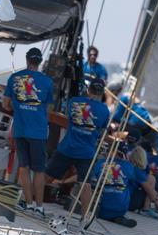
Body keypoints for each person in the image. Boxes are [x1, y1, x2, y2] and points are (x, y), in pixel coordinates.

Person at [44, 78, 110, 218]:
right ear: (102, 93)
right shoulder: (105, 110)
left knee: (47, 176)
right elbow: (102, 134)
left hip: (67, 148)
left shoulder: (74, 101)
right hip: (86, 152)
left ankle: (28, 201)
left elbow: (68, 118)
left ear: (88, 90)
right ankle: (85, 218)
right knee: (85, 184)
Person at [2, 48, 54, 216]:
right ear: (40, 62)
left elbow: (5, 104)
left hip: (20, 129)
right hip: (38, 132)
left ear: (27, 59)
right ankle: (38, 207)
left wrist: (18, 108)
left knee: (24, 167)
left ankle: (29, 203)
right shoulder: (47, 82)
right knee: (39, 170)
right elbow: (49, 107)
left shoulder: (14, 78)